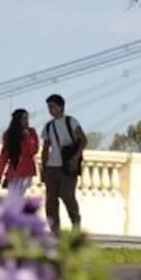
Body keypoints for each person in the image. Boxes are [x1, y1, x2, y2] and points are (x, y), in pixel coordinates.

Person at [41, 93, 86, 234]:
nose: (50, 110)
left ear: (61, 107)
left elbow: (83, 140)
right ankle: (55, 230)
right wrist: (44, 167)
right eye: (49, 107)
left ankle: (75, 223)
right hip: (52, 166)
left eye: (53, 106)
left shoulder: (71, 122)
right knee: (51, 200)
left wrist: (75, 158)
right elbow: (45, 147)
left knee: (67, 195)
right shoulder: (48, 126)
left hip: (67, 165)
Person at [0, 108, 39, 198]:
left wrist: (27, 136)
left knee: (21, 196)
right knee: (13, 197)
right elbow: (4, 156)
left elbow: (34, 150)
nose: (26, 121)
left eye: (26, 118)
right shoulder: (9, 135)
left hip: (27, 171)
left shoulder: (31, 132)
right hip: (13, 171)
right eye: (23, 118)